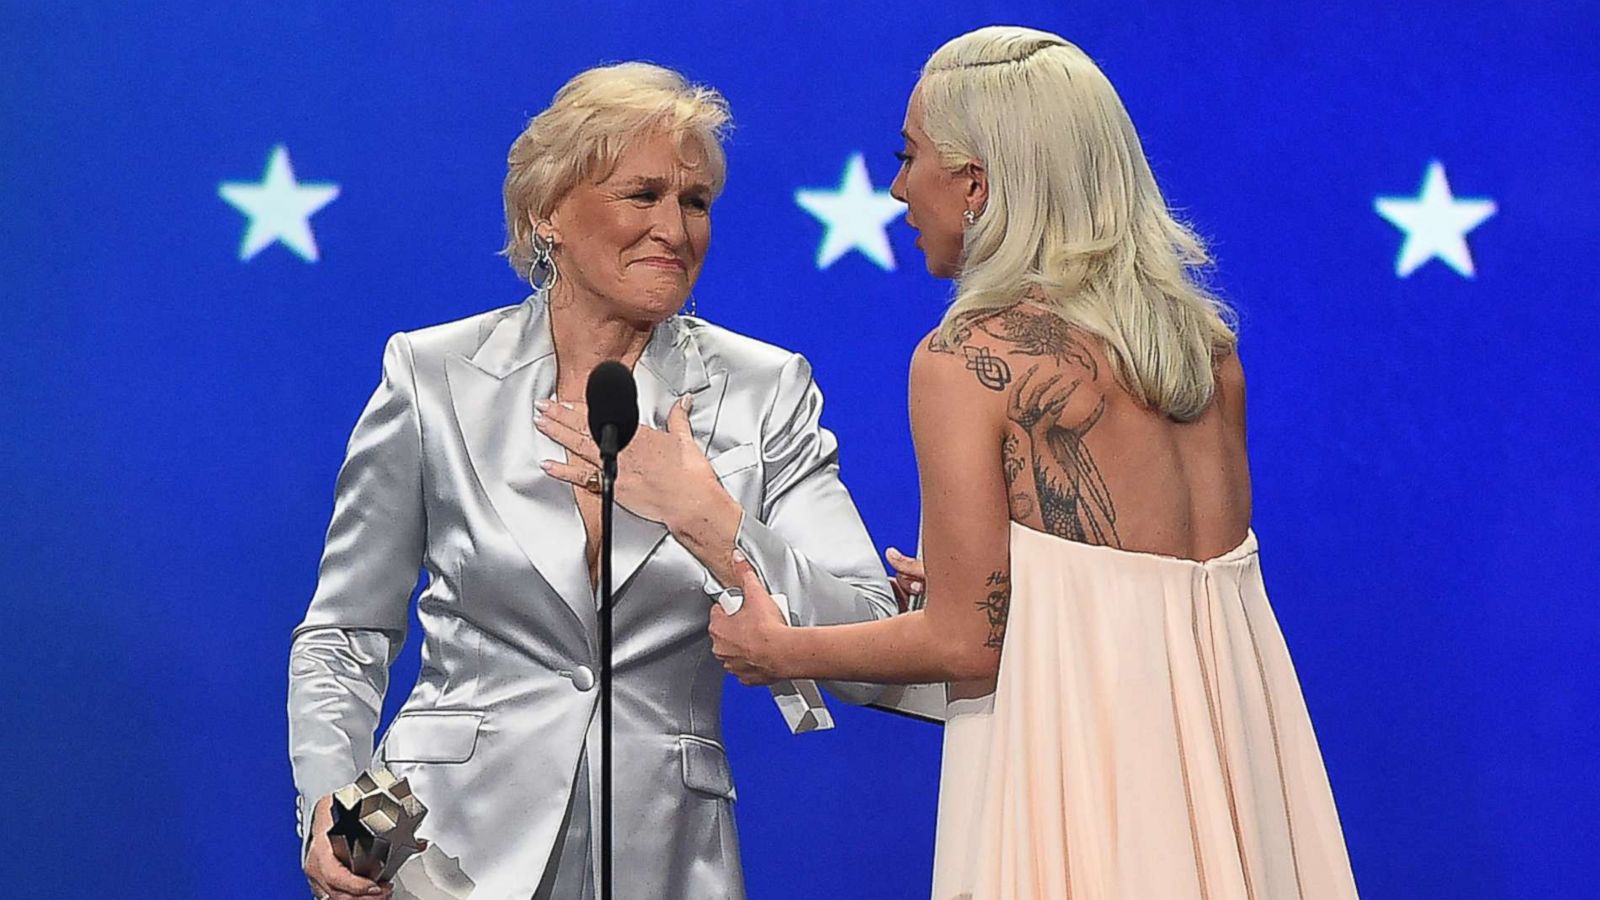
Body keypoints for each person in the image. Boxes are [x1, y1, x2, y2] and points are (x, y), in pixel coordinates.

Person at [709, 26, 1360, 899]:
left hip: (1082, 784)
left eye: (911, 158)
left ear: (975, 183)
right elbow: (1150, 594)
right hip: (1236, 783)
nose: (901, 189)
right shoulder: (1207, 353)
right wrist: (1016, 596)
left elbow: (964, 644)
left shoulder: (966, 360)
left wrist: (781, 649)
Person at [287, 61, 895, 900]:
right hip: (443, 856)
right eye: (641, 195)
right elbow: (344, 634)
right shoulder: (433, 374)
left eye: (695, 202)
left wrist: (711, 519)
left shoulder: (766, 388)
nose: (675, 231)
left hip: (666, 854)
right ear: (548, 212)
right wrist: (327, 795)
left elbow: (869, 633)